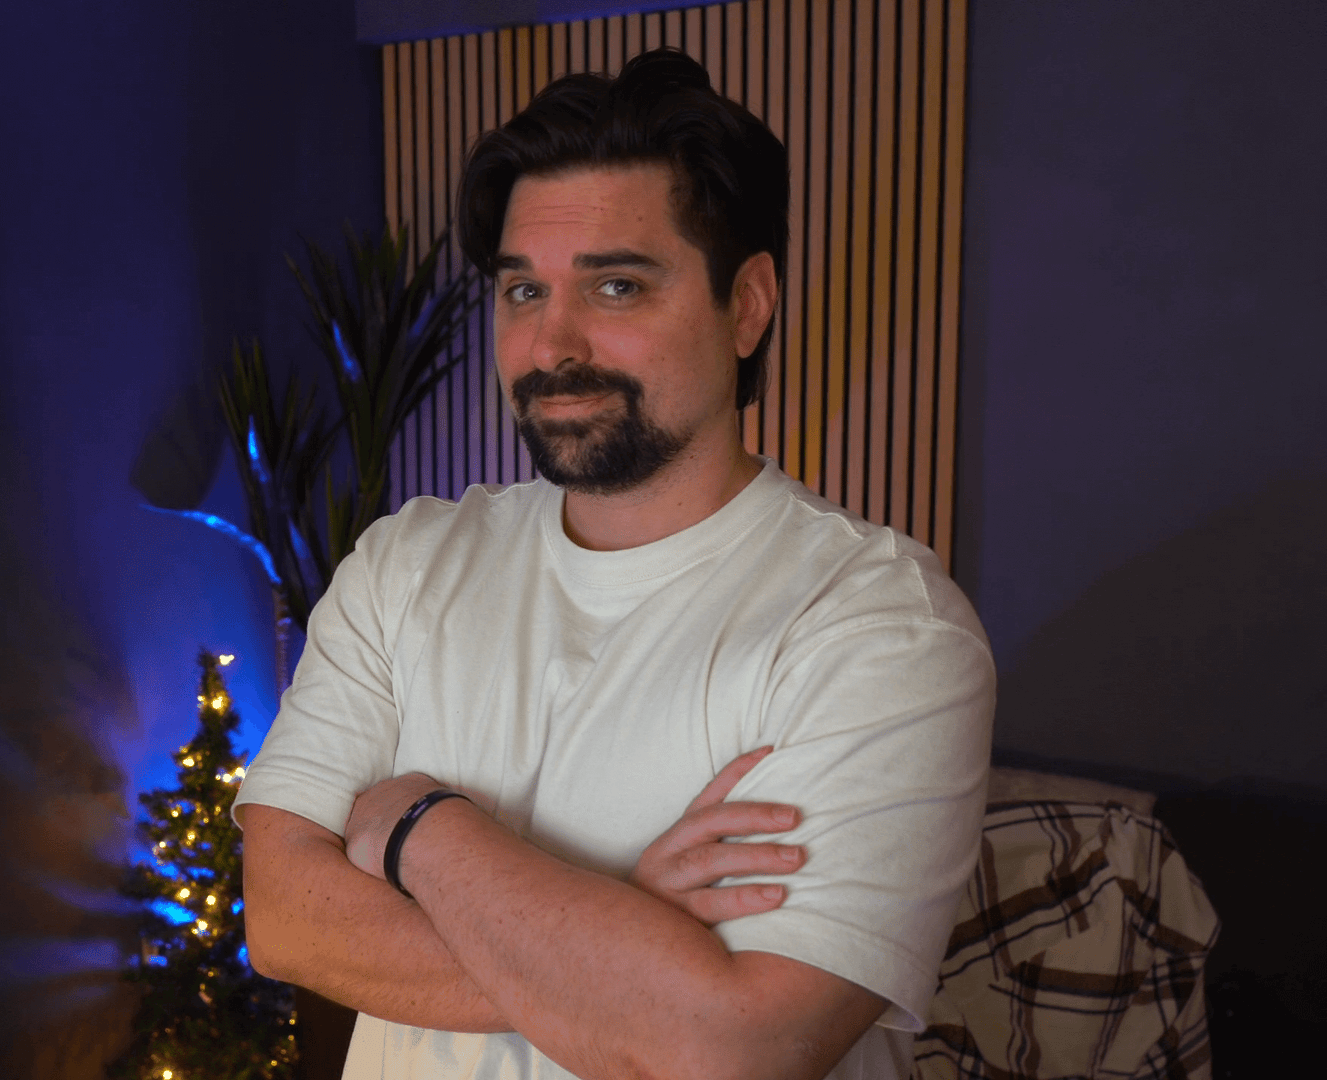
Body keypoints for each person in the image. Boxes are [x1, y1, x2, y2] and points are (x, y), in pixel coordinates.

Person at [231, 48, 994, 1080]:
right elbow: (284, 919)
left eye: (618, 285)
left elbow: (730, 1045)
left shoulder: (880, 626)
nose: (554, 344)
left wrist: (415, 827)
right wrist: (627, 937)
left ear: (749, 304)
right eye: (521, 291)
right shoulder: (405, 563)